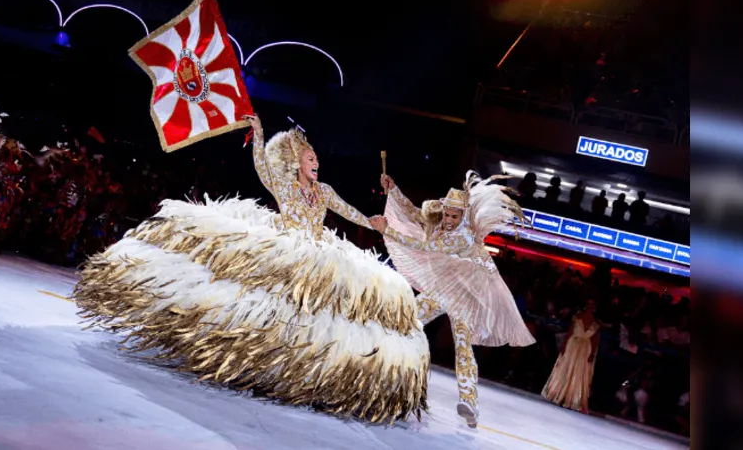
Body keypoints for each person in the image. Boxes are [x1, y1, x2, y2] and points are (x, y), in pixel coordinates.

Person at [72, 114, 430, 424]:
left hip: (317, 253)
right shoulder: (285, 186)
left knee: (318, 313)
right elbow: (261, 166)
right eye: (309, 157)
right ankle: (245, 358)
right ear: (296, 162)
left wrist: (373, 222)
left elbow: (349, 212)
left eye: (316, 157)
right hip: (287, 248)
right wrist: (258, 133)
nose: (315, 161)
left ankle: (299, 371)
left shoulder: (325, 191)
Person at [373, 172, 535, 428]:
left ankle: (469, 403)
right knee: (405, 322)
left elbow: (426, 248)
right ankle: (379, 371)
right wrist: (394, 190)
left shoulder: (464, 237)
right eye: (447, 214)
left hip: (464, 297)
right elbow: (414, 213)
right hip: (441, 289)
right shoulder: (439, 222)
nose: (448, 220)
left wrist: (388, 231)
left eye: (453, 217)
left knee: (463, 346)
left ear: (462, 217)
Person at [542, 299, 601, 414]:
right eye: (588, 304)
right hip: (573, 346)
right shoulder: (577, 317)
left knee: (579, 372)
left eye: (592, 305)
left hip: (584, 349)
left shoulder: (596, 323)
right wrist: (564, 346)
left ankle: (573, 398)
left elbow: (595, 340)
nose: (590, 307)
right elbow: (570, 332)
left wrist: (592, 353)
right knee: (567, 368)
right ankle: (559, 394)